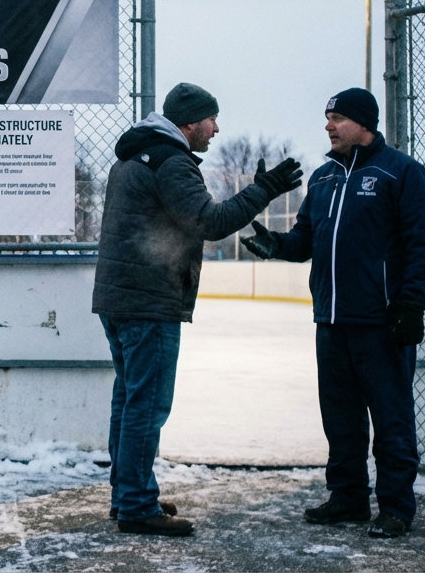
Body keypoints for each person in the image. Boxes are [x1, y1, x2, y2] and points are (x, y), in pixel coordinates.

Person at [92, 82, 302, 536]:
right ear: (189, 122)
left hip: (121, 296)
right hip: (149, 300)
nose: (216, 128)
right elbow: (210, 221)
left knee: (129, 399)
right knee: (146, 405)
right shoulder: (171, 162)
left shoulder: (133, 157)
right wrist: (263, 189)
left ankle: (128, 493)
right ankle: (135, 505)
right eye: (211, 119)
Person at [243, 88, 425, 539]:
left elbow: (424, 244)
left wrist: (411, 304)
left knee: (391, 418)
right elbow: (305, 239)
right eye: (327, 117)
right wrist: (277, 245)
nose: (328, 126)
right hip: (330, 320)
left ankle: (395, 508)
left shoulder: (401, 173)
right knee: (341, 417)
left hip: (381, 321)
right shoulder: (324, 177)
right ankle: (348, 498)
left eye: (336, 118)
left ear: (363, 123)